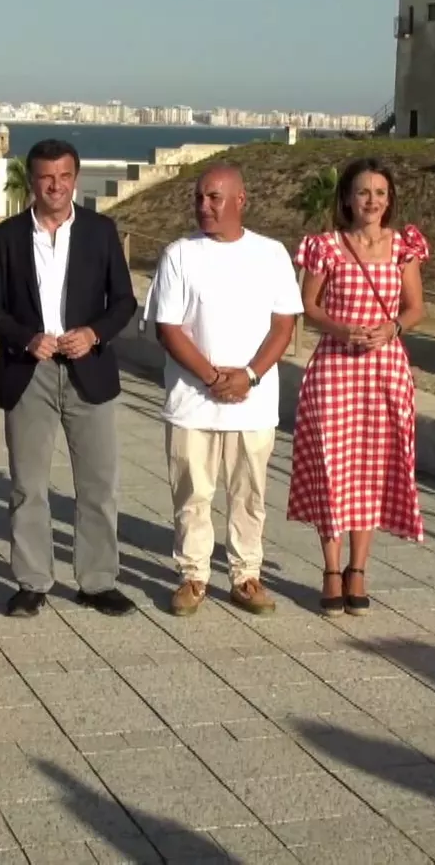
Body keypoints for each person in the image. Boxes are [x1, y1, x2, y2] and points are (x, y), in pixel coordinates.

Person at [0, 139, 139, 617]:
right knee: (29, 485)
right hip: (30, 373)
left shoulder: (101, 232)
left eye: (64, 176)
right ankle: (31, 581)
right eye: (46, 177)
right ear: (33, 181)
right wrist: (26, 338)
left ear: (76, 178)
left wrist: (94, 333)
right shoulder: (4, 238)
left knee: (99, 484)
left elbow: (124, 302)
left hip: (90, 372)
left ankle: (97, 581)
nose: (56, 186)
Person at [147, 162, 301, 616]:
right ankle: (193, 576)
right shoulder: (179, 254)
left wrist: (249, 376)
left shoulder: (271, 254)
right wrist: (213, 377)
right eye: (199, 197)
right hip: (193, 402)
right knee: (192, 493)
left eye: (214, 198)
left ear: (240, 201)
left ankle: (246, 575)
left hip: (252, 405)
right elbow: (168, 328)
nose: (204, 206)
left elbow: (283, 325)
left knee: (248, 493)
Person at [289, 158, 428, 616]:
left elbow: (415, 307)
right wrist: (342, 329)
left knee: (373, 467)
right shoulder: (326, 246)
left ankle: (359, 569)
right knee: (333, 465)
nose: (372, 201)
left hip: (385, 368)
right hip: (335, 366)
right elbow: (308, 305)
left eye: (380, 193)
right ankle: (330, 569)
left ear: (390, 200)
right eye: (364, 192)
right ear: (348, 197)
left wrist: (392, 329)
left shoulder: (403, 248)